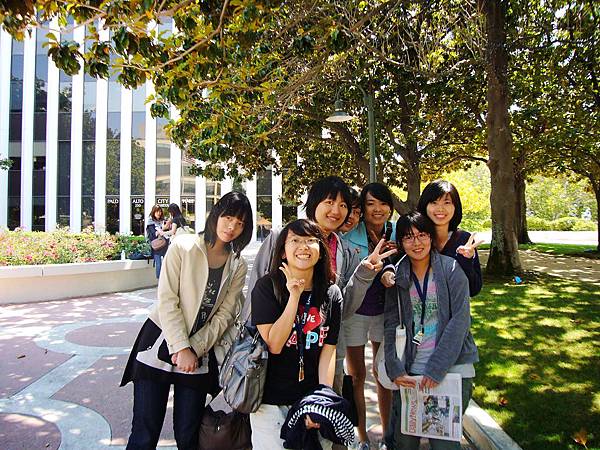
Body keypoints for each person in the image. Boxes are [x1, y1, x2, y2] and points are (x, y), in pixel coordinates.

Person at [120, 192, 253, 450]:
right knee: (145, 432)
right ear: (216, 215)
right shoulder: (184, 246)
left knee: (189, 434)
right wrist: (180, 346)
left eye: (240, 223)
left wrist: (194, 349)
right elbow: (168, 298)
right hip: (159, 341)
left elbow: (225, 314)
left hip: (199, 353)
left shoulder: (238, 265)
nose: (231, 227)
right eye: (228, 218)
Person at [246, 176, 394, 396]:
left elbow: (340, 308)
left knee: (319, 420)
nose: (337, 210)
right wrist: (249, 343)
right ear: (314, 203)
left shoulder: (341, 247)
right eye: (330, 202)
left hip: (321, 356)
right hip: (274, 355)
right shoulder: (283, 237)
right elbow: (255, 294)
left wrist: (363, 274)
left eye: (343, 205)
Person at [384, 211, 478, 450]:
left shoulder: (451, 270)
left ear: (431, 237)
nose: (416, 243)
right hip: (411, 373)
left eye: (422, 235)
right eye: (408, 237)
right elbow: (391, 324)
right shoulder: (397, 276)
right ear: (401, 242)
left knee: (443, 444)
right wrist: (394, 367)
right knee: (404, 443)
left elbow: (460, 320)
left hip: (452, 370)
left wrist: (437, 368)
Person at [250, 219, 342, 450]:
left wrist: (322, 402)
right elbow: (275, 344)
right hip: (270, 402)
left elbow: (328, 352)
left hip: (311, 401)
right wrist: (294, 297)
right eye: (295, 240)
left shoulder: (331, 294)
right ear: (282, 251)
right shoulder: (266, 287)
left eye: (311, 241)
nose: (304, 246)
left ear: (321, 251)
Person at [342, 182, 397, 450]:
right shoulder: (351, 234)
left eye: (383, 203)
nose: (377, 209)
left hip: (386, 313)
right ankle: (361, 436)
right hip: (355, 313)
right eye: (370, 203)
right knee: (356, 375)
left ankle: (387, 436)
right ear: (363, 208)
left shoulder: (399, 230)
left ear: (390, 206)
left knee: (383, 374)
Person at [416, 180, 483, 296]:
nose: (440, 209)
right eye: (434, 202)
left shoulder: (464, 240)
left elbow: (474, 290)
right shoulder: (416, 239)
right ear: (425, 205)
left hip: (456, 312)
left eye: (447, 203)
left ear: (455, 206)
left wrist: (466, 260)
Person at [146, 205, 167, 279]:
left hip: (164, 244)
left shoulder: (163, 221)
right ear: (153, 212)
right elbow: (153, 235)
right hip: (156, 246)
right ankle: (160, 281)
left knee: (166, 263)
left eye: (160, 211)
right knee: (158, 264)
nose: (159, 213)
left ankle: (165, 280)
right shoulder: (150, 222)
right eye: (157, 211)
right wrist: (161, 230)